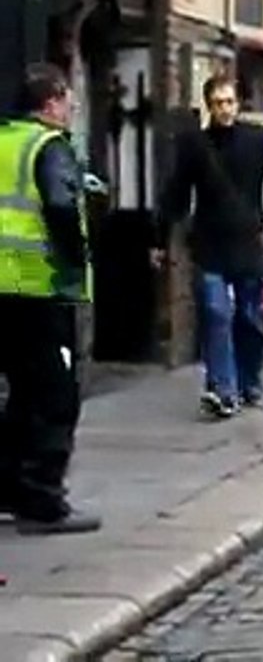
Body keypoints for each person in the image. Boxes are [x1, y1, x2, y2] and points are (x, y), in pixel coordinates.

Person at [154, 72, 263, 418]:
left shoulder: (257, 138)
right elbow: (175, 194)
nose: (225, 109)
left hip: (249, 242)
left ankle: (249, 381)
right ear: (208, 106)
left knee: (248, 318)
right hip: (208, 244)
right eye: (218, 103)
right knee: (216, 313)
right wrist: (159, 239)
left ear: (238, 103)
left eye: (230, 102)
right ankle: (223, 389)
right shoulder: (194, 145)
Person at [0, 63, 100, 534]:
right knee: (53, 396)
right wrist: (76, 263)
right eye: (66, 99)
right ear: (50, 103)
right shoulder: (48, 146)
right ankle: (43, 500)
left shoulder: (3, 140)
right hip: (38, 288)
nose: (71, 107)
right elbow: (60, 207)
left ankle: (10, 489)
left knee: (18, 395)